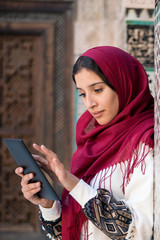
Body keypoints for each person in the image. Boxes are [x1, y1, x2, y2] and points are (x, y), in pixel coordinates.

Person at [15, 46, 154, 240]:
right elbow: (80, 229)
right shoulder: (91, 144)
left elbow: (141, 231)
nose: (89, 103)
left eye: (97, 90)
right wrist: (48, 205)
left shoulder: (147, 142)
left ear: (123, 83)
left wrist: (72, 183)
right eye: (82, 94)